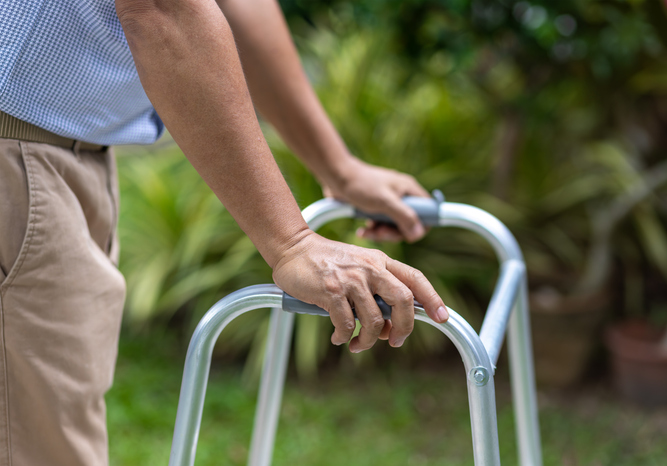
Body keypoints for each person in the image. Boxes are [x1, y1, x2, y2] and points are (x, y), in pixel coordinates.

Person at [0, 0, 448, 464]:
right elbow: (163, 10)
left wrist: (338, 168)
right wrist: (291, 242)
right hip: (19, 156)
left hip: (54, 156)